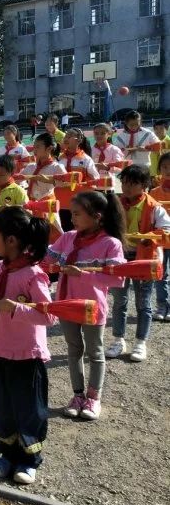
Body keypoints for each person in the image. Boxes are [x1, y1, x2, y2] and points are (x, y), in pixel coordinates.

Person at [0, 206, 56, 485]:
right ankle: (6, 455)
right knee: (1, 405)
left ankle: (28, 459)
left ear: (11, 240)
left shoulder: (33, 275)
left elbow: (49, 315)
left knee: (29, 408)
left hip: (25, 354)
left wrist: (16, 309)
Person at [46, 190, 125, 420]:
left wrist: (83, 275)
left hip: (92, 306)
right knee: (74, 349)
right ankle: (77, 395)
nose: (73, 218)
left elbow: (116, 279)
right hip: (66, 303)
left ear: (97, 216)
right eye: (72, 214)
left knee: (95, 351)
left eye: (77, 214)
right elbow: (47, 260)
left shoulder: (111, 244)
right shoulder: (68, 237)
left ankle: (94, 397)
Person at [106, 165, 170, 362]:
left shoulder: (154, 207)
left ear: (144, 185)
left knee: (143, 303)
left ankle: (140, 342)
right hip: (120, 258)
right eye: (124, 182)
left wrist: (149, 237)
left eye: (132, 184)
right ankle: (118, 340)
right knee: (119, 301)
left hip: (144, 259)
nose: (126, 187)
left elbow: (167, 230)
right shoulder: (115, 203)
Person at [0, 155, 27, 262]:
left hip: (8, 235)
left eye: (1, 174)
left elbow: (25, 213)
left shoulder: (18, 191)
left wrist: (9, 210)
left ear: (11, 173)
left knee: (9, 262)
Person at [57, 128, 99, 231]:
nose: (66, 138)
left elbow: (94, 181)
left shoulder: (86, 159)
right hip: (59, 203)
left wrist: (79, 186)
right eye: (66, 135)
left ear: (79, 140)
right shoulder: (59, 158)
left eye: (70, 136)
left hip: (77, 205)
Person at [151, 152, 170, 321]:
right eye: (164, 167)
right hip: (162, 242)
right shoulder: (155, 193)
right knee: (161, 274)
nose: (168, 170)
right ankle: (162, 305)